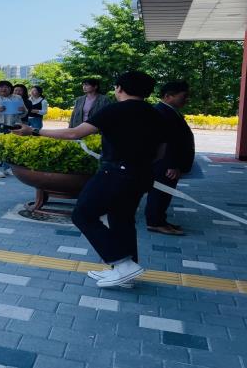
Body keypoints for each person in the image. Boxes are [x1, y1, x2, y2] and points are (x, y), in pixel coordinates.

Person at [13, 71, 166, 288]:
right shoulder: (156, 114)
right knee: (122, 219)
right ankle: (124, 274)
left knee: (83, 215)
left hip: (114, 173)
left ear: (119, 88)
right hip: (141, 175)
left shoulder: (114, 110)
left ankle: (123, 264)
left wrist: (34, 132)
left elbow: (74, 133)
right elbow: (161, 151)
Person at [145, 81, 194, 236]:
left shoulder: (170, 111)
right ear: (168, 96)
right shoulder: (161, 112)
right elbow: (167, 141)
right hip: (165, 164)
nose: (187, 100)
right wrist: (171, 164)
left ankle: (160, 220)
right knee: (160, 192)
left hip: (170, 163)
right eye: (184, 96)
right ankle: (155, 222)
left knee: (165, 193)